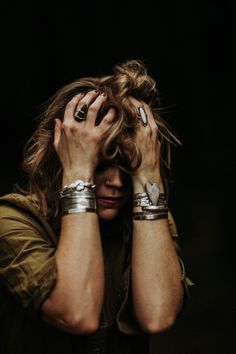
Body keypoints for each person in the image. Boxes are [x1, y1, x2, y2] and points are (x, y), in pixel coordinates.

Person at [0, 59, 193, 354]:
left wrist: (149, 173)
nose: (117, 181)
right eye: (102, 162)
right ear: (63, 153)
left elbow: (158, 315)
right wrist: (79, 174)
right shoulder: (11, 219)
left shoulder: (145, 219)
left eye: (127, 166)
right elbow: (77, 313)